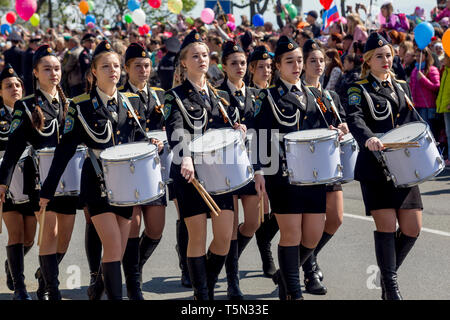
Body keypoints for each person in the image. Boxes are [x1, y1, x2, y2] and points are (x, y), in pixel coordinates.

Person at [39, 41, 143, 300]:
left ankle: (97, 289)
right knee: (112, 244)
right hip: (96, 183)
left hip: (125, 186)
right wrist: (47, 191)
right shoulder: (79, 105)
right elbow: (64, 152)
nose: (113, 71)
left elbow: (136, 136)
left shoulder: (131, 102)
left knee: (116, 251)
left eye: (117, 66)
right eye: (106, 66)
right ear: (94, 72)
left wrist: (151, 141)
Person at [254, 36, 342, 300]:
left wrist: (338, 129)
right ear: (278, 65)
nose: (296, 66)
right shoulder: (267, 96)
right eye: (289, 61)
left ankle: (286, 275)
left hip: (313, 174)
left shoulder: (316, 94)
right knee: (291, 232)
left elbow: (332, 123)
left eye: (299, 61)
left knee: (313, 234)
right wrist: (259, 171)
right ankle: (292, 292)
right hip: (282, 174)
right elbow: (259, 135)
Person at [164, 30, 246, 300]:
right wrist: (184, 156)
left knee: (224, 236)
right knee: (197, 236)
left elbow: (223, 129)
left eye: (204, 55)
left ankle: (208, 284)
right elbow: (175, 128)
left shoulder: (218, 95)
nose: (202, 60)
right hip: (191, 175)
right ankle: (202, 295)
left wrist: (237, 129)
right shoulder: (174, 96)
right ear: (184, 62)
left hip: (219, 172)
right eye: (195, 56)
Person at [345, 33, 423, 300]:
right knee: (387, 226)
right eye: (379, 56)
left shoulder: (401, 86)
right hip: (376, 166)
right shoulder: (359, 88)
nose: (386, 60)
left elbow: (413, 118)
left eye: (388, 55)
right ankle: (390, 288)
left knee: (413, 227)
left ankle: (386, 273)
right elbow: (355, 119)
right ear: (368, 60)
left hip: (403, 164)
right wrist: (369, 138)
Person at [0, 45, 75, 300]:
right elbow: (12, 149)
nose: (53, 73)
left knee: (63, 239)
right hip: (38, 181)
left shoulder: (69, 104)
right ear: (35, 72)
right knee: (48, 234)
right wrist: (2, 182)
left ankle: (43, 276)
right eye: (47, 69)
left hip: (67, 180)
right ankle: (47, 290)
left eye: (56, 68)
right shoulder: (26, 105)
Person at [119, 42, 166, 300]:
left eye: (146, 65)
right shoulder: (119, 95)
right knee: (132, 228)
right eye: (137, 66)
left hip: (154, 169)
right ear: (127, 68)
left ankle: (134, 267)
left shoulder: (160, 94)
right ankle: (134, 284)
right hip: (129, 169)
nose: (143, 70)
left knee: (156, 229)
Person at [301, 40, 348, 295]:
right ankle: (309, 271)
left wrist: (343, 129)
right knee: (314, 223)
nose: (319, 65)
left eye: (321, 61)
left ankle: (305, 257)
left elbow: (341, 121)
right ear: (303, 64)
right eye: (312, 61)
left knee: (336, 219)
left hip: (331, 162)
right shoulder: (298, 94)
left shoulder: (331, 95)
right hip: (309, 164)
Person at [216, 41, 262, 300]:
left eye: (243, 63)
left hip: (253, 162)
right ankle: (233, 280)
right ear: (224, 66)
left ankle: (227, 256)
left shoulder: (256, 94)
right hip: (229, 164)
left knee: (253, 222)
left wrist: (262, 168)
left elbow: (263, 130)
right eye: (233, 63)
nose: (239, 67)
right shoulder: (217, 94)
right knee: (231, 226)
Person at [0, 64, 35, 300]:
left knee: (30, 237)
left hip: (31, 180)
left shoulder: (33, 111)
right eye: (8, 86)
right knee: (15, 233)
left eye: (18, 85)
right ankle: (20, 288)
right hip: (7, 182)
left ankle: (11, 265)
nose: (15, 88)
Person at [247, 46, 278, 279]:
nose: (266, 71)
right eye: (261, 67)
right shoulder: (246, 94)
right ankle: (266, 254)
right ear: (252, 69)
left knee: (279, 210)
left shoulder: (276, 93)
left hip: (277, 154)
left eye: (269, 67)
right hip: (254, 156)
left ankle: (264, 243)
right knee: (261, 211)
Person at [409, 47, 441, 135]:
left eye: (420, 55)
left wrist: (423, 79)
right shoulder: (415, 70)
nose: (418, 58)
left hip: (427, 107)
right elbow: (411, 86)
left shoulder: (432, 69)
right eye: (416, 56)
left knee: (428, 133)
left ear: (426, 56)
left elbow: (436, 86)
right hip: (417, 106)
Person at [436, 54, 450, 166]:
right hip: (445, 107)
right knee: (448, 134)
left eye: (445, 58)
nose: (443, 60)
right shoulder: (446, 71)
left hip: (448, 107)